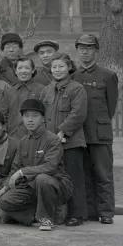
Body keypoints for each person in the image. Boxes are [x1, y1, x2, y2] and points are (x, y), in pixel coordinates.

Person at [0, 99, 73, 231]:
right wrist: (6, 186)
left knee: (42, 178)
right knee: (3, 201)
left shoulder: (52, 139)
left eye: (34, 116)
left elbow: (50, 167)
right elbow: (15, 168)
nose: (30, 120)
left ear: (43, 118)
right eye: (26, 116)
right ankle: (35, 216)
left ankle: (47, 219)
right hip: (31, 187)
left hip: (56, 184)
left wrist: (23, 172)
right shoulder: (23, 141)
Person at [72, 34, 118, 224]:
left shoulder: (108, 76)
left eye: (89, 48)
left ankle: (106, 212)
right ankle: (90, 211)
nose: (85, 52)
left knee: (103, 174)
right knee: (84, 174)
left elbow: (111, 106)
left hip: (99, 134)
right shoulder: (74, 76)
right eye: (81, 48)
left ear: (96, 51)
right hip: (80, 134)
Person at [40, 53, 87, 227]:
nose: (57, 70)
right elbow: (42, 114)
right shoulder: (47, 89)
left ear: (69, 68)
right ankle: (55, 213)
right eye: (54, 67)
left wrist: (63, 132)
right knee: (54, 177)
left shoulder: (76, 89)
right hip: (51, 143)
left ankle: (77, 214)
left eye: (61, 66)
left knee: (74, 177)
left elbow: (78, 114)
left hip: (72, 142)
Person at [10, 57, 45, 136]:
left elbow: (46, 115)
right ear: (15, 71)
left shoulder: (42, 89)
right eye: (20, 68)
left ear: (33, 70)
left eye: (27, 68)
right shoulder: (10, 90)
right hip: (13, 136)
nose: (23, 71)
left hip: (35, 135)